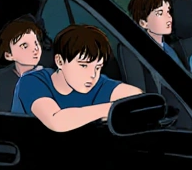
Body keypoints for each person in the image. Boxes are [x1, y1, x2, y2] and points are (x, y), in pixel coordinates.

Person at [12, 24, 143, 131]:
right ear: (60, 61)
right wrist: (111, 109)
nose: (92, 75)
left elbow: (137, 97)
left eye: (98, 67)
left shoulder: (98, 84)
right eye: (83, 66)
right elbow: (57, 121)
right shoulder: (32, 82)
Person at [0, 17, 49, 111]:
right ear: (9, 55)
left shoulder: (48, 76)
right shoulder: (0, 80)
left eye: (36, 43)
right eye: (25, 46)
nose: (35, 48)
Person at [128, 0, 184, 67]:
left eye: (168, 11)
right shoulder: (144, 53)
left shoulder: (168, 49)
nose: (168, 17)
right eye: (160, 13)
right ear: (143, 23)